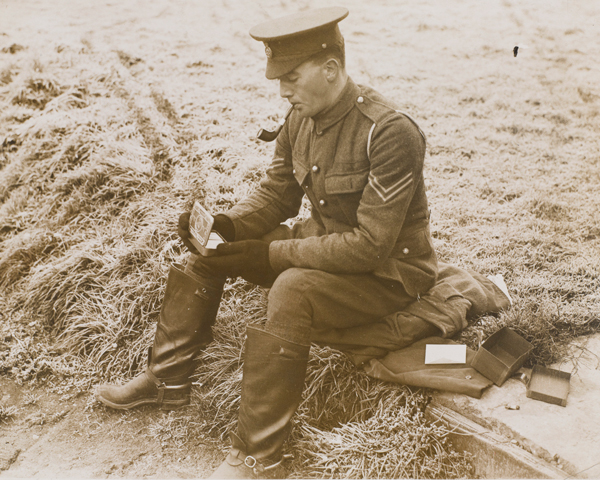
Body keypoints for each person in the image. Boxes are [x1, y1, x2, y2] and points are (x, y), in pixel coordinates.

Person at [96, 6, 441, 478]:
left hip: (389, 277)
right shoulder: (301, 116)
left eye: (292, 77)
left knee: (292, 289)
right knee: (207, 256)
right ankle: (165, 380)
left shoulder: (389, 132)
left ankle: (259, 455)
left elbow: (370, 247)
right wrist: (227, 227)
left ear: (331, 69)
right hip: (325, 249)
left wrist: (271, 254)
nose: (282, 90)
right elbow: (277, 193)